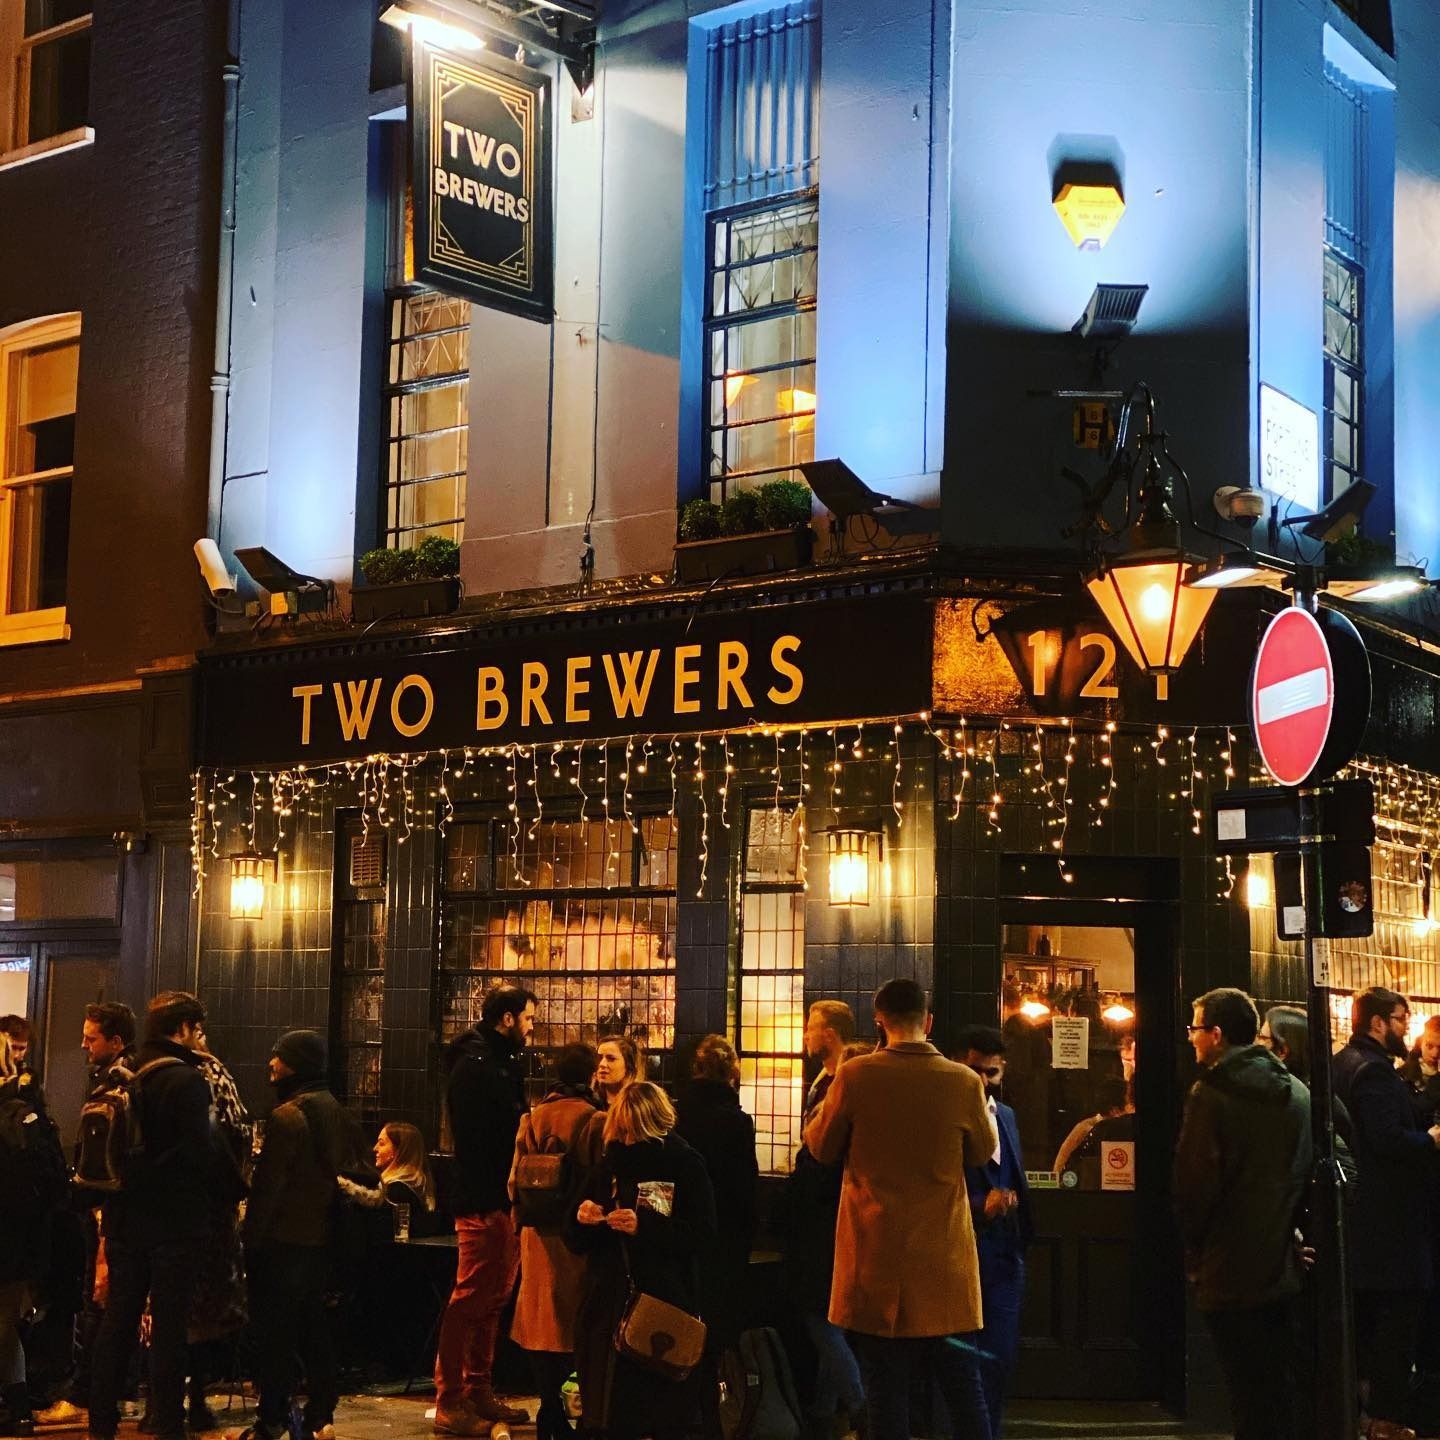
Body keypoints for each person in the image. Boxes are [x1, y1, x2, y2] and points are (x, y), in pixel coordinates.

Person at [804, 979, 996, 1440]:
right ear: (928, 1022)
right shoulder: (963, 1081)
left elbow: (821, 1149)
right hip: (944, 1270)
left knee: (887, 1401)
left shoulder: (856, 1076)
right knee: (965, 1394)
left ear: (879, 1021)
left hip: (876, 1266)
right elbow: (981, 1152)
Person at [1173, 987, 1311, 1440]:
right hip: (1281, 1267)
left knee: (1244, 1391)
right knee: (1274, 1391)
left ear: (1216, 1034)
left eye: (1195, 1029)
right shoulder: (1296, 1092)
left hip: (1229, 1267)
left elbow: (1195, 1186)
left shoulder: (1212, 1094)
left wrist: (1195, 1257)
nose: (1191, 1038)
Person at [89, 992, 220, 1440]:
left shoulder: (122, 1073)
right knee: (168, 1330)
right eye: (197, 1030)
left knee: (118, 1324)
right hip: (174, 1226)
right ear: (182, 1029)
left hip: (124, 1220)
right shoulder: (185, 1080)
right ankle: (167, 1424)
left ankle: (100, 1423)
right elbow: (199, 1155)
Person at [565, 1081, 717, 1440]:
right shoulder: (610, 1164)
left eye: (634, 1131)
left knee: (659, 1410)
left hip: (660, 1305)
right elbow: (575, 1235)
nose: (627, 1139)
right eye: (622, 1130)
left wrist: (644, 1226)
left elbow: (704, 1234)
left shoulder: (683, 1163)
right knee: (608, 1411)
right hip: (608, 1305)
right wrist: (583, 1216)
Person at [241, 1029, 369, 1440]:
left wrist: (250, 1241)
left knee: (276, 1336)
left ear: (296, 1063)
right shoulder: (337, 1111)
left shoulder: (288, 1116)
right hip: (322, 1242)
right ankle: (321, 1414)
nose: (270, 1065)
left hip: (283, 1242)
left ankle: (272, 1418)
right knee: (316, 1332)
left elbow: (269, 1189)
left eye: (278, 1057)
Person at [1332, 987, 1440, 1440]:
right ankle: (1385, 1420)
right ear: (1377, 1022)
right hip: (1388, 1226)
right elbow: (1387, 1140)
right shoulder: (1373, 1071)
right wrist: (1431, 1139)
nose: (1407, 1027)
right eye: (1401, 1018)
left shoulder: (1343, 1064)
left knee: (1369, 1324)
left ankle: (1366, 1413)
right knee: (1396, 1325)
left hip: (1366, 1224)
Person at [434, 984, 537, 1435]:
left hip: (498, 1198)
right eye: (528, 1019)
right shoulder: (478, 1066)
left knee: (491, 1299)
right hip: (484, 1199)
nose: (532, 1028)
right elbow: (484, 1139)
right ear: (507, 1019)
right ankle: (450, 1400)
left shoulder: (493, 1062)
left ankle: (478, 1389)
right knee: (470, 1298)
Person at [508, 1043, 601, 1440]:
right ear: (592, 1075)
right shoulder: (594, 1120)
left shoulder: (533, 1116)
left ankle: (549, 1408)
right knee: (576, 1326)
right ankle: (576, 1412)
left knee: (540, 1326)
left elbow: (514, 1181)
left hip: (536, 1237)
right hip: (576, 1236)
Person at [783, 1011, 866, 1440]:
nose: (805, 1035)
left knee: (822, 1317)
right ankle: (823, 1413)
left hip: (828, 1217)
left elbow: (822, 1158)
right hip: (833, 1216)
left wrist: (799, 1171)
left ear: (829, 1034)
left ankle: (857, 1407)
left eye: (811, 1027)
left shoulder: (839, 1087)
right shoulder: (824, 1080)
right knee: (832, 1318)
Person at [675, 1036, 759, 1440]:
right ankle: (714, 1415)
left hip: (685, 1234)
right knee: (719, 1329)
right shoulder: (737, 1121)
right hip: (725, 1236)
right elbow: (746, 1185)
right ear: (731, 1073)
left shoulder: (677, 1114)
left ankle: (685, 1410)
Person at [957, 1026, 1033, 1440]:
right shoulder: (945, 1118)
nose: (983, 1082)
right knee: (966, 1365)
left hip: (1006, 1258)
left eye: (991, 1074)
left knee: (999, 1360)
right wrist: (977, 1205)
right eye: (975, 1072)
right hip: (963, 1251)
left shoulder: (1007, 1117)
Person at [179, 1024, 251, 1432]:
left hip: (178, 1212)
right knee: (201, 1312)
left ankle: (168, 1398)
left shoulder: (156, 1073)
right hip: (212, 1212)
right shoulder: (217, 1078)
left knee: (175, 1308)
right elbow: (238, 1133)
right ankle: (196, 1396)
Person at [0, 1031, 67, 1438]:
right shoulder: (24, 1111)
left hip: (10, 1238)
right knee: (4, 1323)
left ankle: (20, 1406)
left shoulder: (13, 1114)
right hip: (19, 1239)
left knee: (4, 1322)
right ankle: (20, 1407)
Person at [1051, 1077, 1132, 1178]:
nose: (1132, 1105)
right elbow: (1061, 1160)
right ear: (1114, 1110)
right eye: (1129, 1100)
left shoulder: (1124, 1128)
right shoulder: (1087, 1127)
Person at [1401, 1014, 1440, 1120]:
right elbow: (1418, 1110)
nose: (1435, 1054)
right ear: (1420, 1043)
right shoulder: (1404, 1074)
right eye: (1429, 1046)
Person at [594, 1036, 643, 1108]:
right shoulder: (590, 1103)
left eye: (611, 1058)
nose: (602, 1064)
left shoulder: (643, 1104)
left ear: (629, 1065)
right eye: (599, 1058)